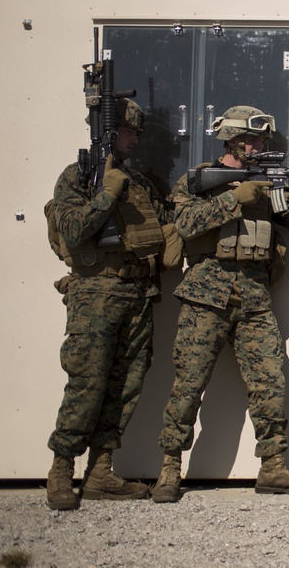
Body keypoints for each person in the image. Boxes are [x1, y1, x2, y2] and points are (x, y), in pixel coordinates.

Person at [151, 106, 289, 502]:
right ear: (230, 139)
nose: (258, 145)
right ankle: (169, 468)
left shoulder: (267, 181)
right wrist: (234, 199)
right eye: (251, 139)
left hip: (255, 297)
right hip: (206, 295)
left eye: (262, 140)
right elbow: (186, 225)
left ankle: (274, 468)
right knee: (189, 385)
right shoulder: (198, 179)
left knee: (270, 383)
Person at [45, 98, 177, 511]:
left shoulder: (139, 181)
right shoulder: (78, 177)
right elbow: (71, 229)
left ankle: (101, 471)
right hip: (95, 294)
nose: (135, 137)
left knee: (126, 383)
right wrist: (105, 195)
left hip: (138, 294)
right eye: (128, 130)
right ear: (107, 131)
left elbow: (163, 222)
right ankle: (61, 469)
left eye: (138, 131)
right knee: (86, 381)